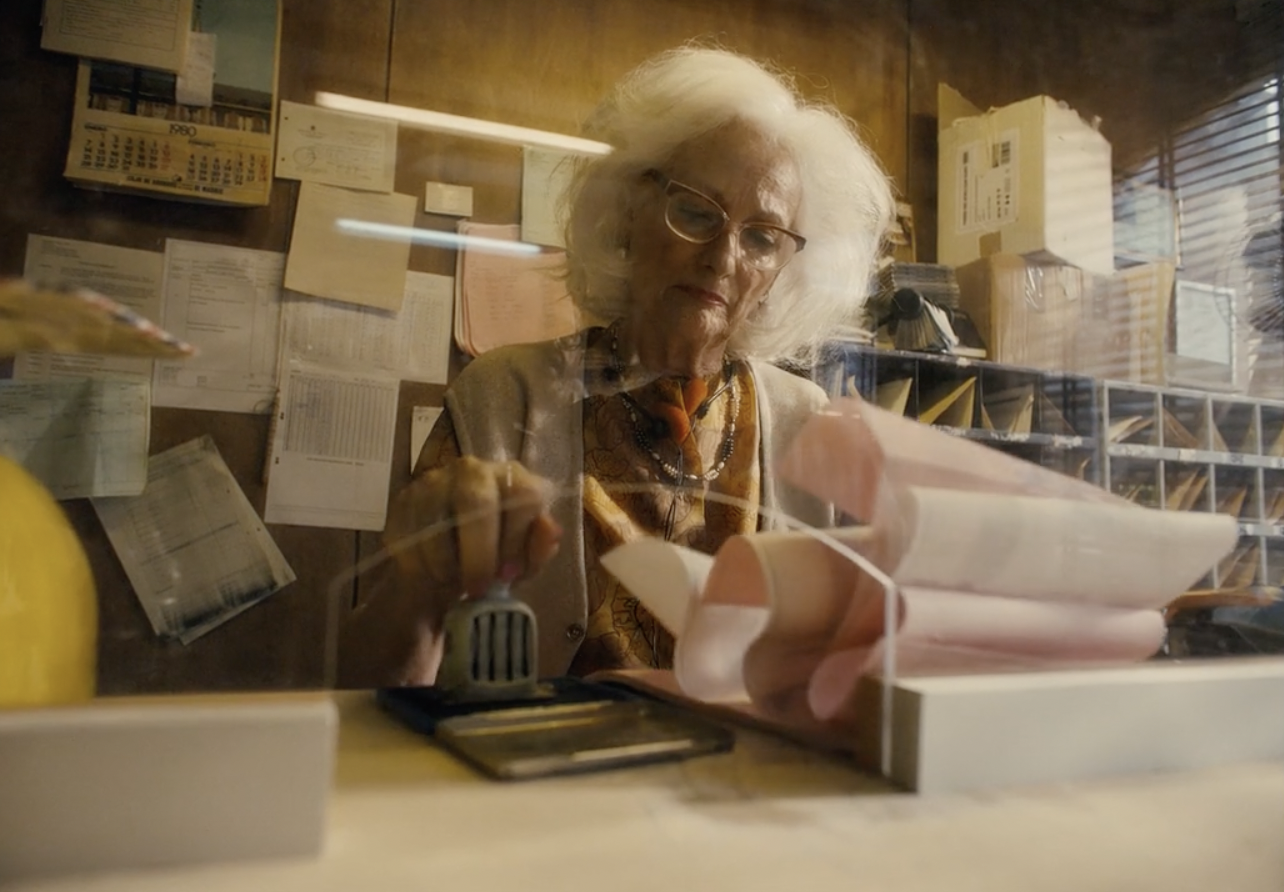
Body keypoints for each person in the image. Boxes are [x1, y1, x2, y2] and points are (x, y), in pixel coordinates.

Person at [345, 45, 894, 686]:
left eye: (762, 237)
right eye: (697, 212)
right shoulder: (504, 396)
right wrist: (423, 585)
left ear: (782, 271)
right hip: (535, 748)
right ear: (629, 211)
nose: (723, 258)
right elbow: (376, 684)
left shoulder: (811, 426)